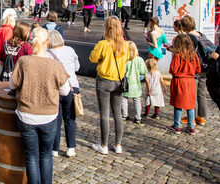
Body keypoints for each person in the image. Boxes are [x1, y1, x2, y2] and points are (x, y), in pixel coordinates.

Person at [10, 27, 69, 184]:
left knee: (31, 156)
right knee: (46, 154)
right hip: (48, 116)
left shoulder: (24, 62)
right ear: (47, 42)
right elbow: (65, 91)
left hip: (26, 115)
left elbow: (12, 84)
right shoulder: (55, 65)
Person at [89, 16, 129, 154]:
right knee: (117, 113)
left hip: (104, 81)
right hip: (119, 81)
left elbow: (93, 58)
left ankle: (104, 145)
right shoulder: (125, 45)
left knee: (104, 113)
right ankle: (118, 144)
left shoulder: (103, 44)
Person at [47, 30, 80, 158]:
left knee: (56, 119)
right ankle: (71, 147)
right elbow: (77, 67)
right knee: (70, 118)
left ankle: (54, 148)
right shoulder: (70, 50)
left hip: (56, 88)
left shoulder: (48, 54)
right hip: (72, 86)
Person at [168, 33, 201, 134]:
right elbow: (198, 69)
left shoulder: (178, 55)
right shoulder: (193, 55)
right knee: (190, 105)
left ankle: (176, 126)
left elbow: (173, 69)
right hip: (190, 81)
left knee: (178, 104)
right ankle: (191, 126)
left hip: (179, 80)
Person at [181, 15, 209, 126]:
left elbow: (187, 54)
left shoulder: (189, 37)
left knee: (192, 92)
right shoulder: (201, 34)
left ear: (183, 26)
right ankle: (201, 117)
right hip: (205, 67)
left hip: (195, 68)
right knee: (201, 93)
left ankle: (191, 117)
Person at [121, 42, 147, 125]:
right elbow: (143, 71)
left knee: (124, 99)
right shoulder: (139, 60)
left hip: (126, 83)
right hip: (135, 83)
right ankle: (138, 117)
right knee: (137, 100)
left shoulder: (124, 59)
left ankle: (124, 115)